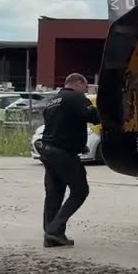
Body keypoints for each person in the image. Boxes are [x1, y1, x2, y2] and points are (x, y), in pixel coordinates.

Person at [38, 73, 99, 247]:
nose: (86, 91)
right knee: (80, 191)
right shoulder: (76, 98)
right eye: (86, 87)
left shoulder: (52, 101)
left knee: (54, 194)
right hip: (63, 153)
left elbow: (60, 126)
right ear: (78, 83)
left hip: (47, 151)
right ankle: (54, 230)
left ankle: (51, 235)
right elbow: (94, 117)